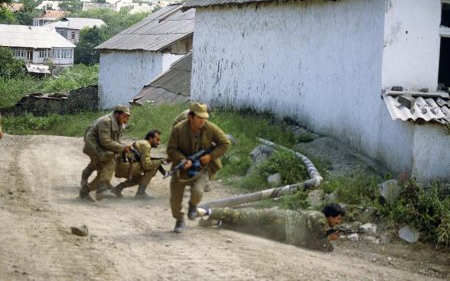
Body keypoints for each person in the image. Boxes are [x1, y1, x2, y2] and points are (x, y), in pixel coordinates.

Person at [166, 102, 231, 233]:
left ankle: (192, 206)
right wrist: (183, 160)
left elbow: (225, 143)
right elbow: (171, 150)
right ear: (191, 117)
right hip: (182, 169)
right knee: (175, 199)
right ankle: (179, 220)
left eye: (204, 118)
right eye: (199, 118)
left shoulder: (210, 128)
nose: (203, 121)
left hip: (203, 167)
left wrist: (210, 156)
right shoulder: (178, 129)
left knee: (198, 192)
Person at [196, 203, 345, 252]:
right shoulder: (319, 218)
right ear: (330, 216)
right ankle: (217, 221)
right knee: (248, 228)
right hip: (283, 231)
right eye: (338, 219)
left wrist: (327, 238)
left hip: (279, 215)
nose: (338, 222)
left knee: (244, 217)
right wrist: (328, 239)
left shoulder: (316, 217)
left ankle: (209, 213)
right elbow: (313, 244)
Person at [79, 105, 132, 202]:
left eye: (128, 117)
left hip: (101, 147)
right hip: (94, 146)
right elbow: (105, 141)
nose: (126, 120)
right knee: (109, 163)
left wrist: (124, 148)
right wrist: (122, 148)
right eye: (125, 117)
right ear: (117, 114)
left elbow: (116, 140)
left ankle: (85, 192)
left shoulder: (118, 123)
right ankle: (101, 189)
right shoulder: (106, 121)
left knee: (104, 171)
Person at [112, 130, 166, 200]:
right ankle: (141, 193)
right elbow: (146, 165)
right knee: (152, 167)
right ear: (150, 138)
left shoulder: (142, 143)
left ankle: (117, 189)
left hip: (120, 166)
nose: (158, 143)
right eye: (157, 140)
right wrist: (160, 161)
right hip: (125, 167)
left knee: (140, 179)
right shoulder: (146, 145)